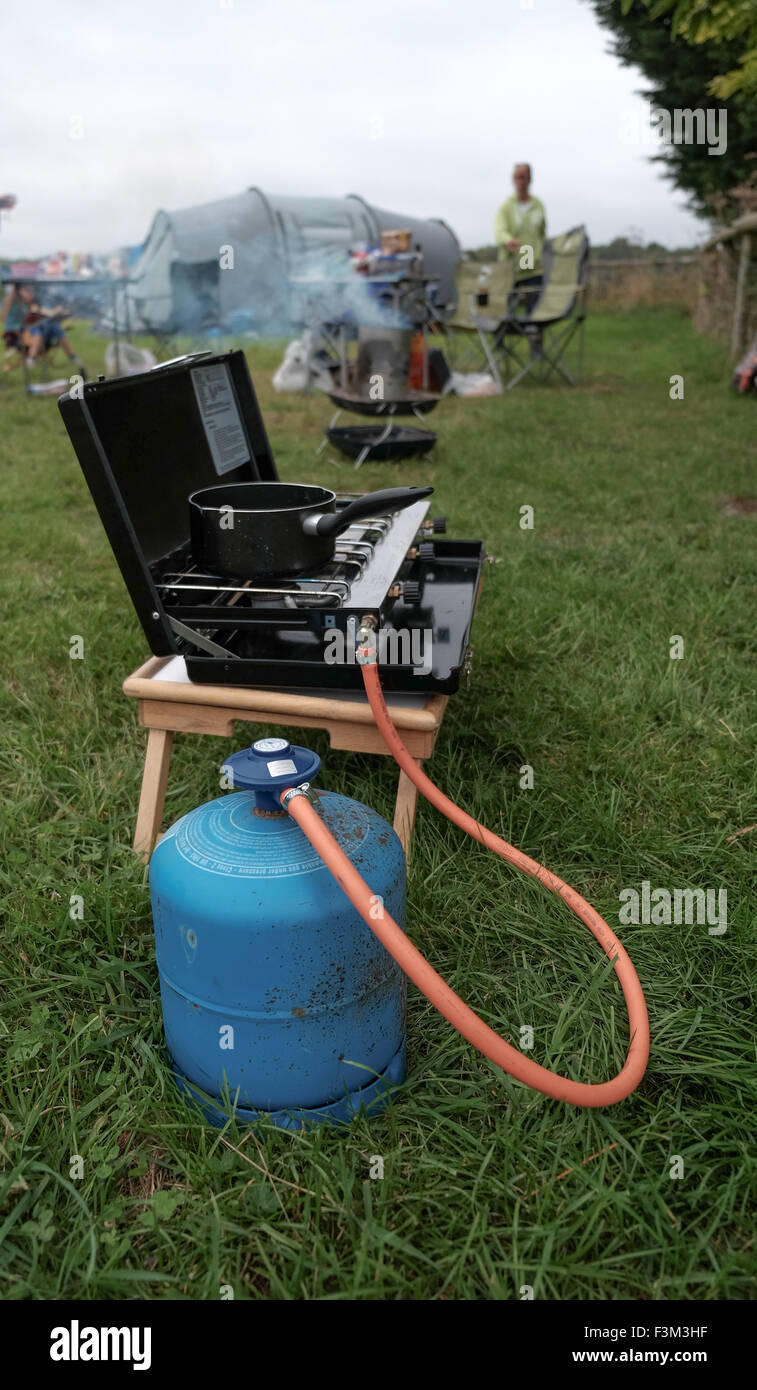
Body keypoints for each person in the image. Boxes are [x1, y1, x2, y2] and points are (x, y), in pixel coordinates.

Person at [494, 163, 546, 321]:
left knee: (534, 313)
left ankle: (535, 341)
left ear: (530, 179)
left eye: (523, 178)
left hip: (531, 261)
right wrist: (507, 240)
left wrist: (541, 253)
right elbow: (499, 230)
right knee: (506, 311)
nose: (520, 182)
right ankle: (501, 342)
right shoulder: (506, 206)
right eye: (516, 178)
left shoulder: (538, 206)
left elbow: (542, 233)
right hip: (510, 263)